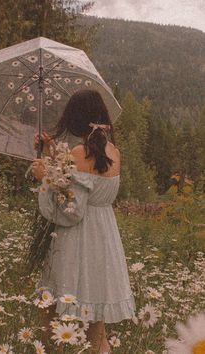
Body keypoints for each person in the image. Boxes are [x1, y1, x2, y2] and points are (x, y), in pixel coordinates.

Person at [32, 89, 136, 354]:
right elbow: (84, 181)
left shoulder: (78, 153)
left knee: (50, 314)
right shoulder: (114, 152)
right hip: (105, 238)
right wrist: (53, 154)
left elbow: (71, 210)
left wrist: (44, 177)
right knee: (96, 327)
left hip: (78, 239)